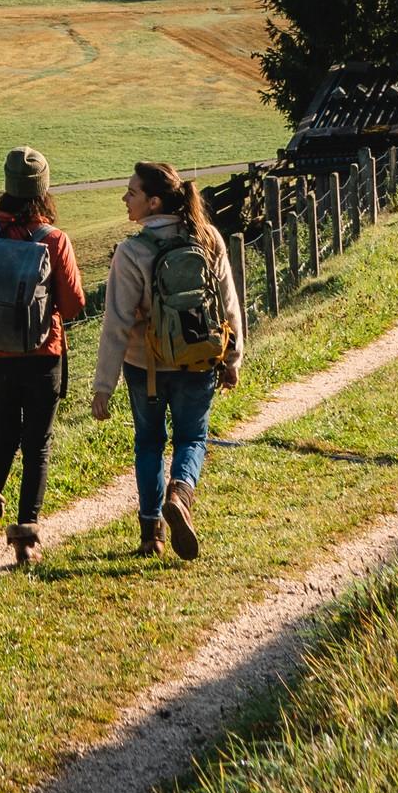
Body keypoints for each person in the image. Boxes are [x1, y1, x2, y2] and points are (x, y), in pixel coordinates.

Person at [89, 160, 244, 559]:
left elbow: (116, 325)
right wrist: (233, 357)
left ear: (154, 202)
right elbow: (228, 302)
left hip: (147, 367)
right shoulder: (207, 238)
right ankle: (182, 493)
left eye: (132, 193)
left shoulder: (131, 252)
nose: (125, 199)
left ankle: (151, 534)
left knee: (149, 444)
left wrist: (103, 386)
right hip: (200, 360)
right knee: (192, 437)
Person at [0, 145, 86, 566]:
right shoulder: (53, 239)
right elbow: (76, 303)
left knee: (4, 437)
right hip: (44, 356)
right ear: (44, 189)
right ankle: (25, 540)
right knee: (37, 444)